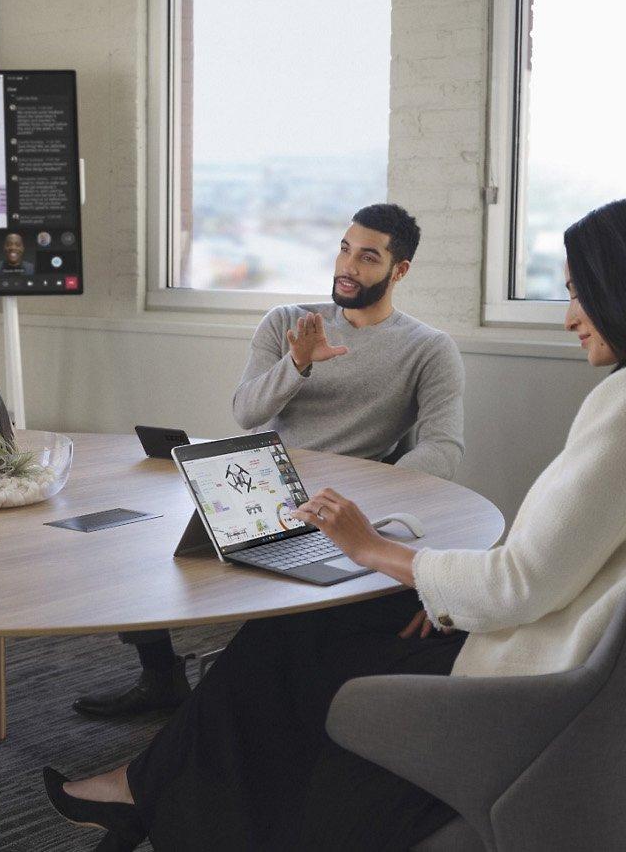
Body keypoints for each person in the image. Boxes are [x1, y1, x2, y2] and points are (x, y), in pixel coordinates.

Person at [44, 193, 626, 850]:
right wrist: (446, 589)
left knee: (290, 641)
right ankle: (152, 788)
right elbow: (563, 562)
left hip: (537, 671)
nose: (571, 315)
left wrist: (375, 550)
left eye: (580, 292)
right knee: (307, 632)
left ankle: (152, 793)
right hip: (588, 652)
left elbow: (518, 583)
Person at [75, 204, 464, 719]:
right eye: (344, 249)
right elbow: (246, 411)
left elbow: (444, 448)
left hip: (334, 503)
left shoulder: (428, 348)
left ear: (400, 270)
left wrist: (368, 491)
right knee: (138, 535)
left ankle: (225, 706)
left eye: (368, 257)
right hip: (259, 485)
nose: (348, 266)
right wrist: (298, 363)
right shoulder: (286, 321)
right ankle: (159, 672)